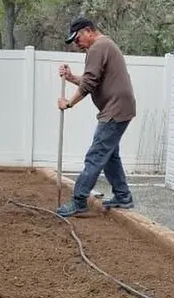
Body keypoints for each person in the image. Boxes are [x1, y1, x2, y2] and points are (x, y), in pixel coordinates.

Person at [56, 17, 137, 217]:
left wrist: (68, 103)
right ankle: (123, 196)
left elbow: (89, 83)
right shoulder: (103, 46)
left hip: (115, 109)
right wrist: (71, 77)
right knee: (109, 156)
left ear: (88, 30)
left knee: (96, 155)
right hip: (121, 107)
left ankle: (79, 200)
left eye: (77, 38)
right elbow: (91, 79)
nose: (76, 43)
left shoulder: (97, 48)